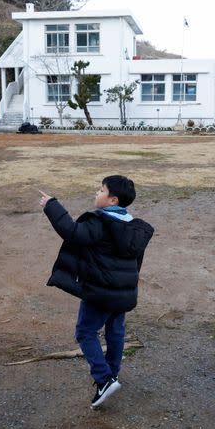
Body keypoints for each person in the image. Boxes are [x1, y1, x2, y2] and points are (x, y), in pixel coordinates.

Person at [39, 175, 153, 409]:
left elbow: (72, 232)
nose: (96, 193)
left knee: (85, 331)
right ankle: (113, 374)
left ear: (112, 200)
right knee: (115, 332)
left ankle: (104, 378)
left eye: (101, 190)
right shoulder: (132, 226)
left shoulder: (100, 223)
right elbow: (136, 263)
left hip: (100, 293)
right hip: (122, 294)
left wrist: (52, 206)